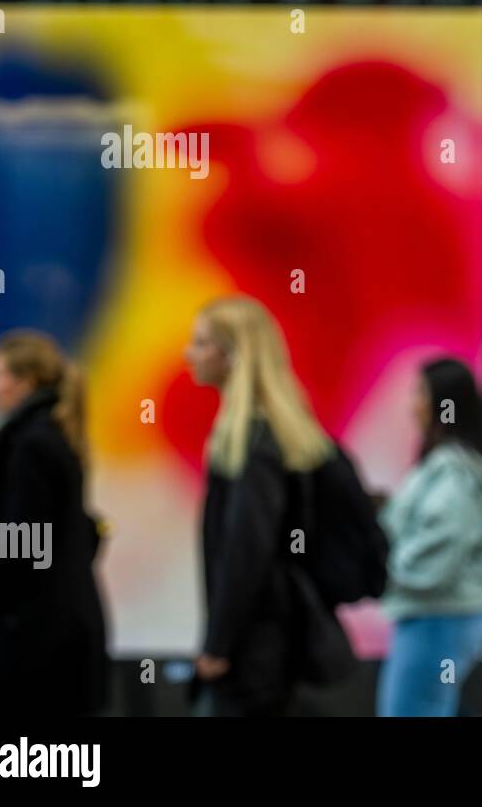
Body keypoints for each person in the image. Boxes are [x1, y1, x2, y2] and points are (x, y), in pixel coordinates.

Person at [184, 295, 338, 716]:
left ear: (233, 355)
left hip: (254, 648)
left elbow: (244, 551)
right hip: (261, 642)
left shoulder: (254, 443)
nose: (188, 353)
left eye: (200, 343)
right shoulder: (257, 435)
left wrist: (217, 644)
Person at [0, 330, 109, 716]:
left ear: (27, 381)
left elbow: (20, 551)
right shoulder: (53, 438)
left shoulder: (29, 444)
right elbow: (77, 533)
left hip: (35, 637)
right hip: (60, 633)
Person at [377, 358, 482, 717]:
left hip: (437, 618)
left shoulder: (455, 475)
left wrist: (382, 560)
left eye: (420, 392)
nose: (413, 403)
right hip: (439, 618)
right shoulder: (455, 467)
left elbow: (433, 560)